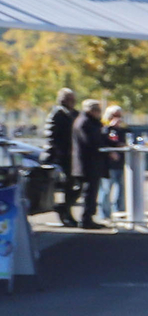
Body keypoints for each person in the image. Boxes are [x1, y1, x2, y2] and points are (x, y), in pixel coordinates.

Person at [69, 98, 106, 229]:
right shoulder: (85, 123)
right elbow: (91, 142)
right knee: (89, 192)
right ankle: (86, 218)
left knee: (90, 192)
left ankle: (88, 217)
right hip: (87, 163)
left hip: (87, 163)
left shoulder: (86, 122)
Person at [43, 88, 77, 227]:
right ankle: (65, 212)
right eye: (70, 99)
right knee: (67, 185)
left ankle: (64, 208)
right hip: (61, 157)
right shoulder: (57, 114)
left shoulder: (73, 114)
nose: (73, 102)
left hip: (72, 157)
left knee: (75, 186)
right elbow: (52, 137)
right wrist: (58, 154)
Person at [95, 105, 129, 222]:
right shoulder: (104, 128)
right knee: (106, 189)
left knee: (121, 189)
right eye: (115, 116)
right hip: (108, 165)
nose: (118, 118)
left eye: (119, 116)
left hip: (121, 163)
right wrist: (110, 126)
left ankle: (120, 212)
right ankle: (104, 214)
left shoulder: (122, 130)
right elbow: (102, 139)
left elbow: (125, 139)